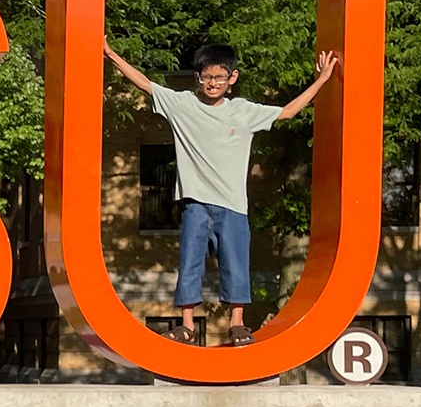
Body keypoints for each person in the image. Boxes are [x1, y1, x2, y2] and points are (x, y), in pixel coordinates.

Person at [103, 40, 340, 346]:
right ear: (198, 77)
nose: (211, 83)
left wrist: (321, 80)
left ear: (232, 78)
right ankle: (187, 324)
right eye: (206, 76)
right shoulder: (183, 105)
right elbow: (144, 83)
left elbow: (288, 112)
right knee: (189, 262)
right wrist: (110, 54)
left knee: (235, 263)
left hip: (232, 205)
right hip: (195, 203)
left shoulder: (243, 111)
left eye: (219, 77)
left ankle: (237, 323)